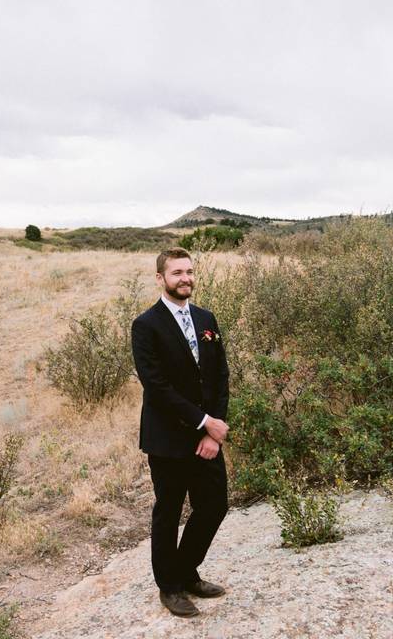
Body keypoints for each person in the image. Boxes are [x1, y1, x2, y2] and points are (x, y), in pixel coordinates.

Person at [130, 247, 230, 618]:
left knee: (215, 505)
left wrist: (213, 431)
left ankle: (186, 571)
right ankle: (169, 587)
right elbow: (156, 386)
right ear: (161, 278)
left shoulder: (207, 318)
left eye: (189, 271)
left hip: (207, 438)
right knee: (168, 511)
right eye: (177, 273)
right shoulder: (146, 325)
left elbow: (220, 377)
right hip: (167, 438)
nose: (185, 278)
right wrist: (204, 421)